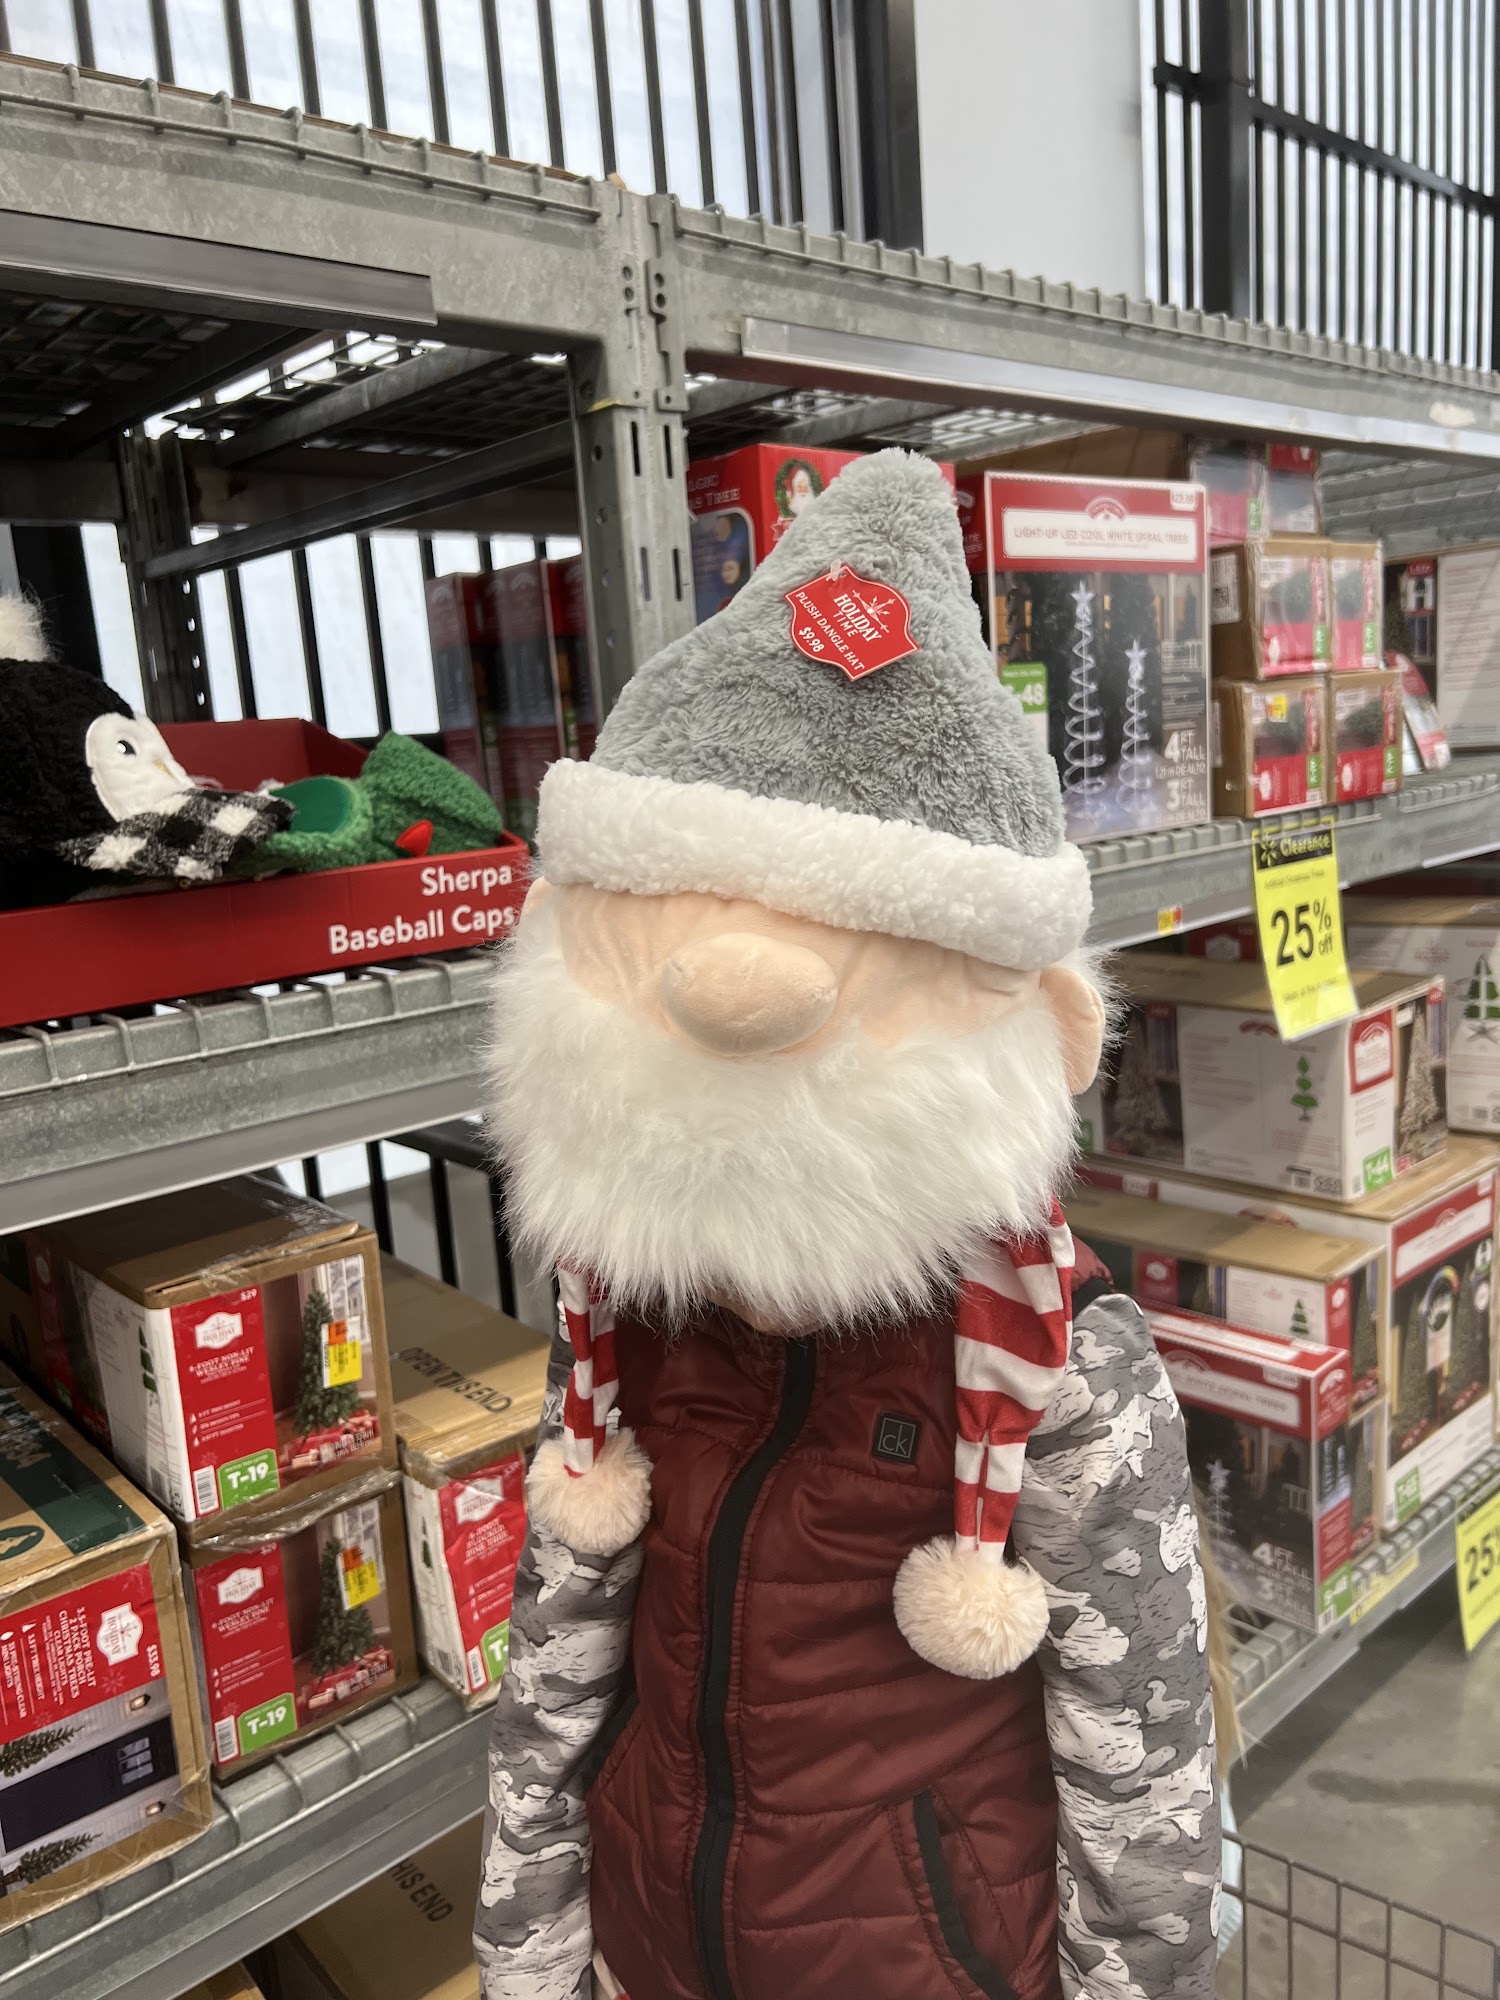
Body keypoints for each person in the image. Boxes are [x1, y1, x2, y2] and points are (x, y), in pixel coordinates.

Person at [477, 450, 1220, 2000]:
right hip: (653, 1944)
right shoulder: (627, 1301)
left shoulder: (1056, 1356)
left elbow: (1143, 1749)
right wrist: (530, 1954)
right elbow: (556, 1654)